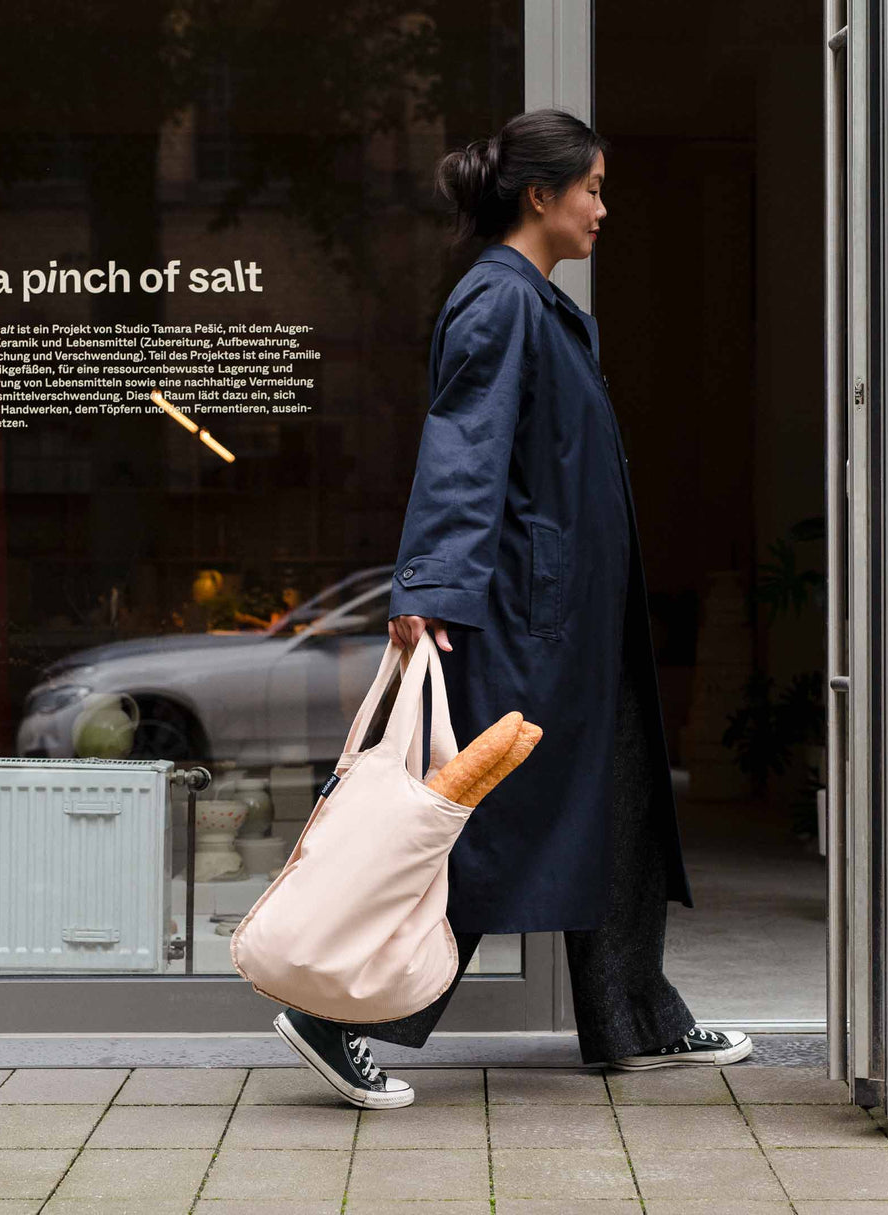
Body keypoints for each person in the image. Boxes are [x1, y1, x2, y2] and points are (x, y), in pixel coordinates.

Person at [272, 108, 752, 1109]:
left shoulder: (533, 301)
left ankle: (636, 1020)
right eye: (592, 189)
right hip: (528, 621)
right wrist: (430, 589)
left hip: (575, 622)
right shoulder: (499, 301)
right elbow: (462, 449)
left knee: (619, 815)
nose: (603, 209)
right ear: (541, 196)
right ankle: (341, 1012)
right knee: (482, 828)